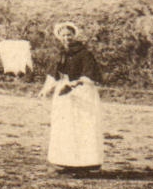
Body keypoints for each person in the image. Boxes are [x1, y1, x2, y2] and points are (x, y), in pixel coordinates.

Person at [38, 22, 104, 175]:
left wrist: (74, 84)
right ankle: (65, 161)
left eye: (69, 35)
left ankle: (86, 164)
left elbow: (89, 75)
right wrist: (46, 89)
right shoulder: (61, 53)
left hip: (82, 93)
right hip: (64, 95)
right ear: (59, 37)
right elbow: (53, 74)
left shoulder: (85, 53)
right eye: (64, 35)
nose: (67, 38)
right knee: (65, 126)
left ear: (74, 36)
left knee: (82, 126)